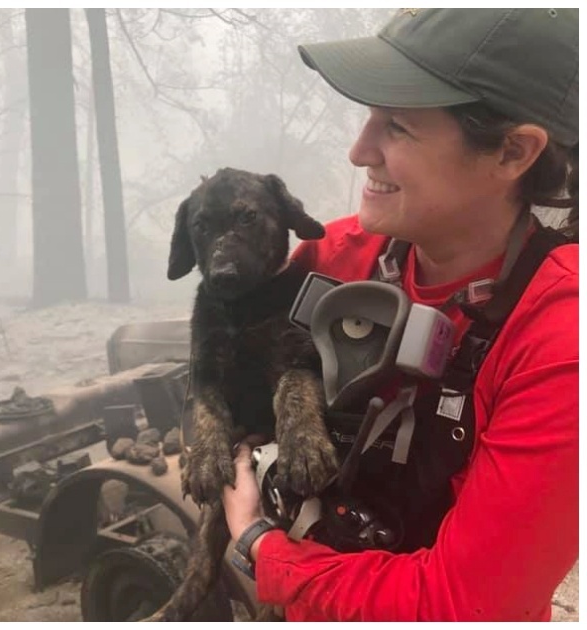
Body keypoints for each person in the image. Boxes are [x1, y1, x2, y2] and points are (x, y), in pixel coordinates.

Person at [220, 8, 578, 621]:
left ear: (513, 152)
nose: (360, 151)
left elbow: (462, 605)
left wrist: (259, 545)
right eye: (368, 118)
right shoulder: (334, 257)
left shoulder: (561, 342)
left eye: (399, 129)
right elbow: (216, 369)